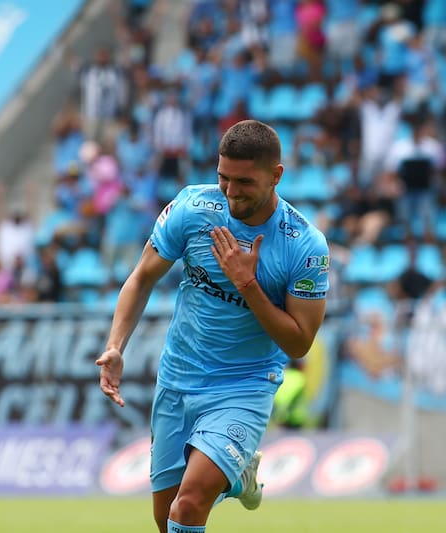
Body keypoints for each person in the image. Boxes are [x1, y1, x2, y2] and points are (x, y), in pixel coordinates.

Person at [96, 120, 330, 533]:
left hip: (244, 385)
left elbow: (299, 343)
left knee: (188, 506)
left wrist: (248, 284)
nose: (231, 191)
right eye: (224, 178)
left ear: (276, 175)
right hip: (178, 378)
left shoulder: (304, 245)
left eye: (244, 181)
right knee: (166, 519)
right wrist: (116, 346)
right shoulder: (193, 208)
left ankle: (226, 473)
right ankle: (235, 478)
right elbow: (142, 277)